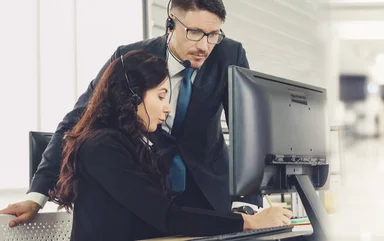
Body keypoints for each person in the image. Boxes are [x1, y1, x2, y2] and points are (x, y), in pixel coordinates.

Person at [1, 0, 264, 227]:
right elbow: (76, 121)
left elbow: (248, 131)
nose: (205, 46)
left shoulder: (229, 54)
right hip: (148, 190)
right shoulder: (130, 58)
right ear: (171, 24)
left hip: (209, 188)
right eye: (195, 33)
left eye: (213, 34)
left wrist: (248, 201)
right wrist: (37, 195)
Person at [49, 50, 292, 240]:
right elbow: (165, 215)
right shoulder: (102, 147)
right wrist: (248, 222)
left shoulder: (135, 142)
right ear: (132, 97)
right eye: (161, 96)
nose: (168, 107)